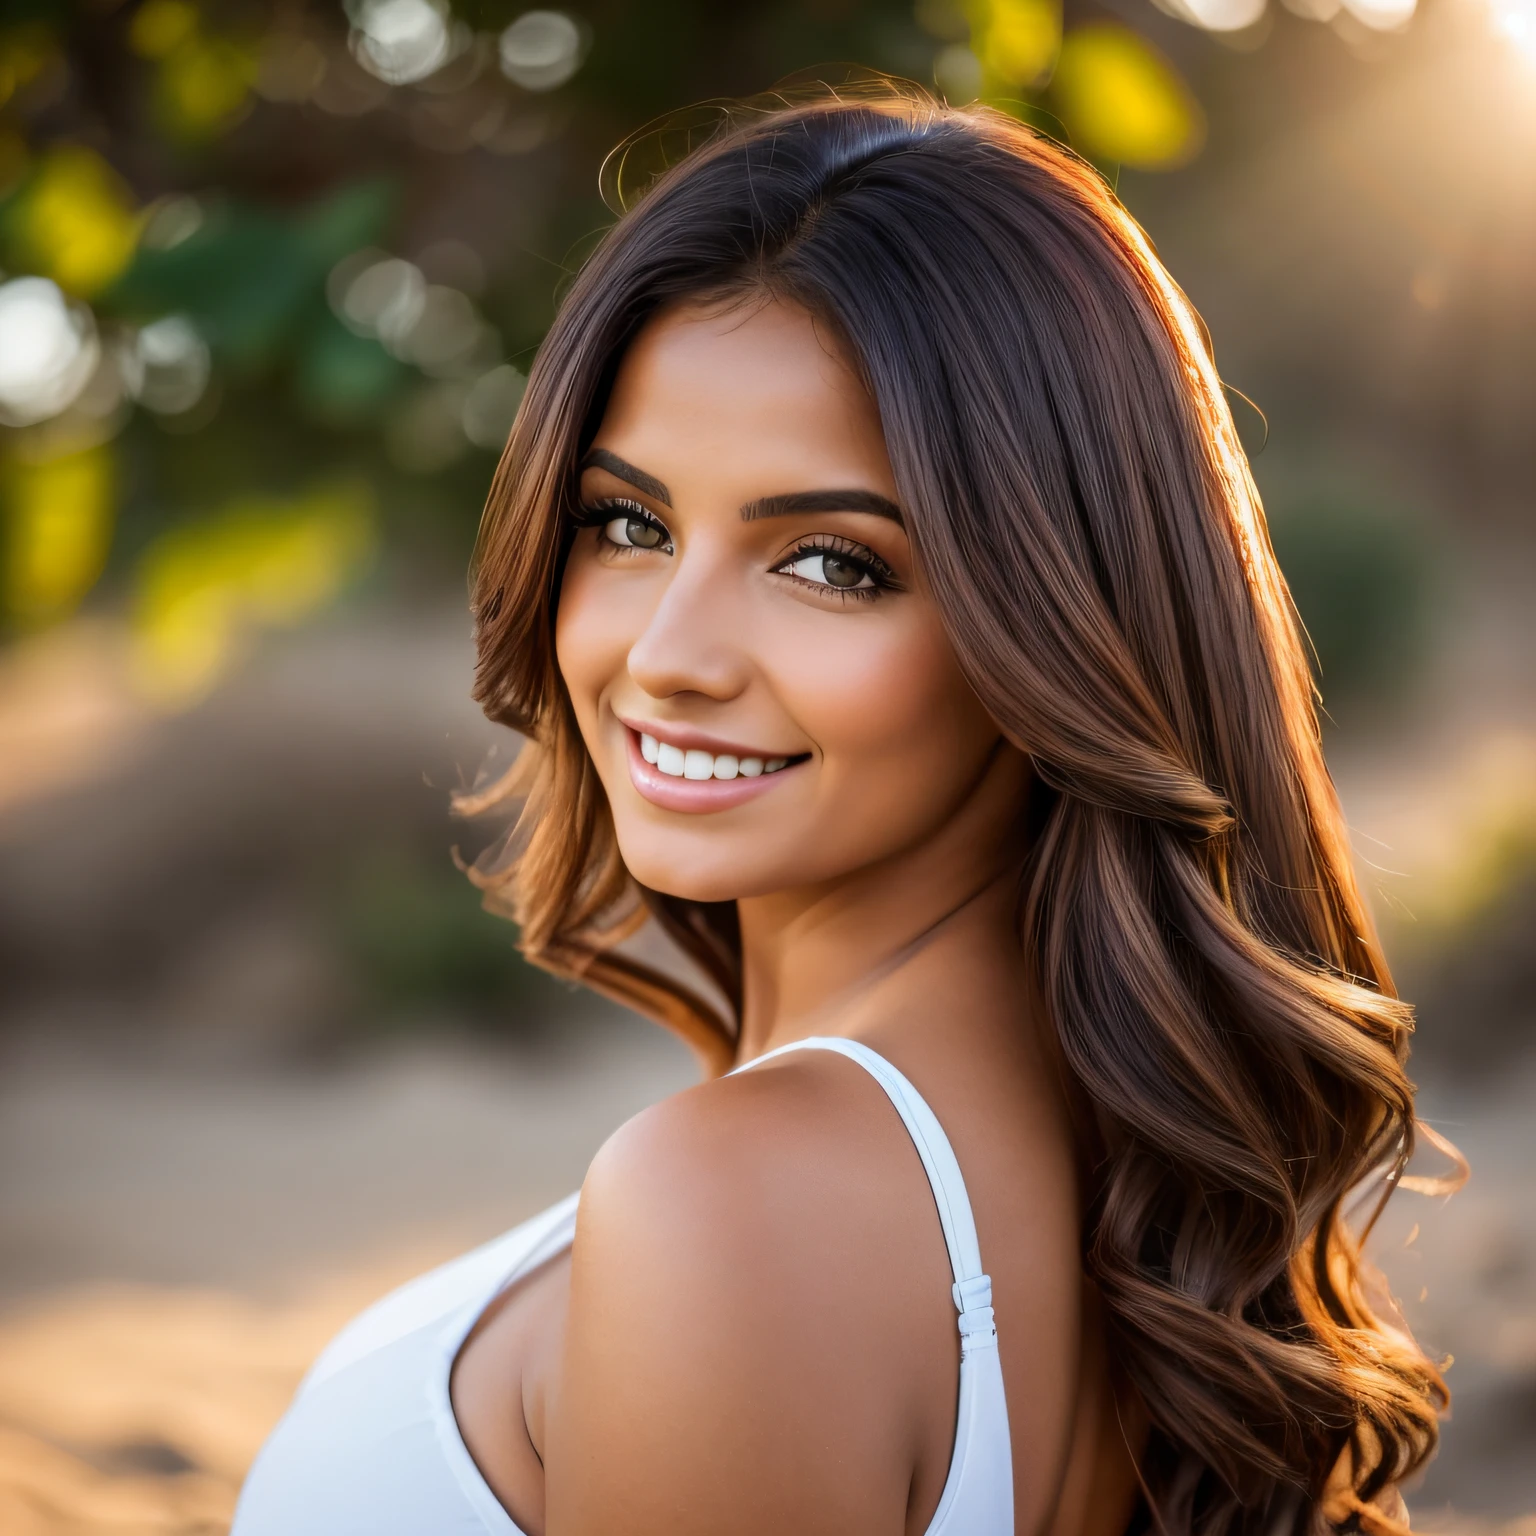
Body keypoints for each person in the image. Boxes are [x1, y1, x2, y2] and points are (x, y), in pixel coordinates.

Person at [231, 84, 1451, 1536]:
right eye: (628, 525)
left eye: (829, 562)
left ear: (1057, 622)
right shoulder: (1112, 1175)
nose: (669, 654)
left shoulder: (738, 1206)